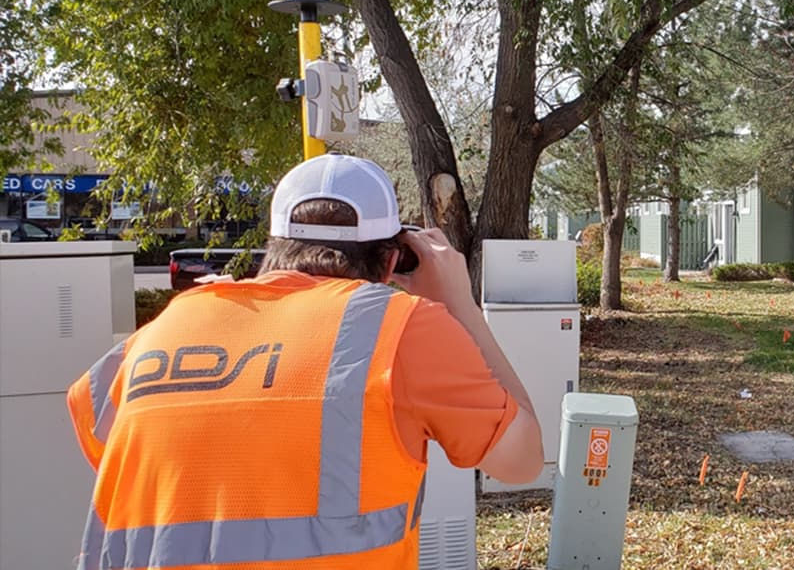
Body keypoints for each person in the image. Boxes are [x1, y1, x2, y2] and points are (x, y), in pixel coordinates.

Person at [67, 154, 543, 569]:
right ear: (392, 261)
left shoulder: (162, 331)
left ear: (273, 248)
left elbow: (92, 423)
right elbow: (522, 460)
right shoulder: (401, 329)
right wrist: (461, 306)